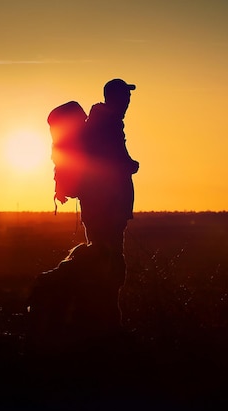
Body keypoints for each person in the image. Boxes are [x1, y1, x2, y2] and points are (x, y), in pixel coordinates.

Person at [80, 78, 139, 290]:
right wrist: (130, 165)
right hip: (108, 206)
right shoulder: (109, 124)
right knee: (110, 264)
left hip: (97, 206)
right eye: (126, 96)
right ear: (116, 98)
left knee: (99, 257)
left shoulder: (98, 122)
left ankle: (99, 312)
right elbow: (113, 161)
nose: (129, 101)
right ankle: (107, 318)